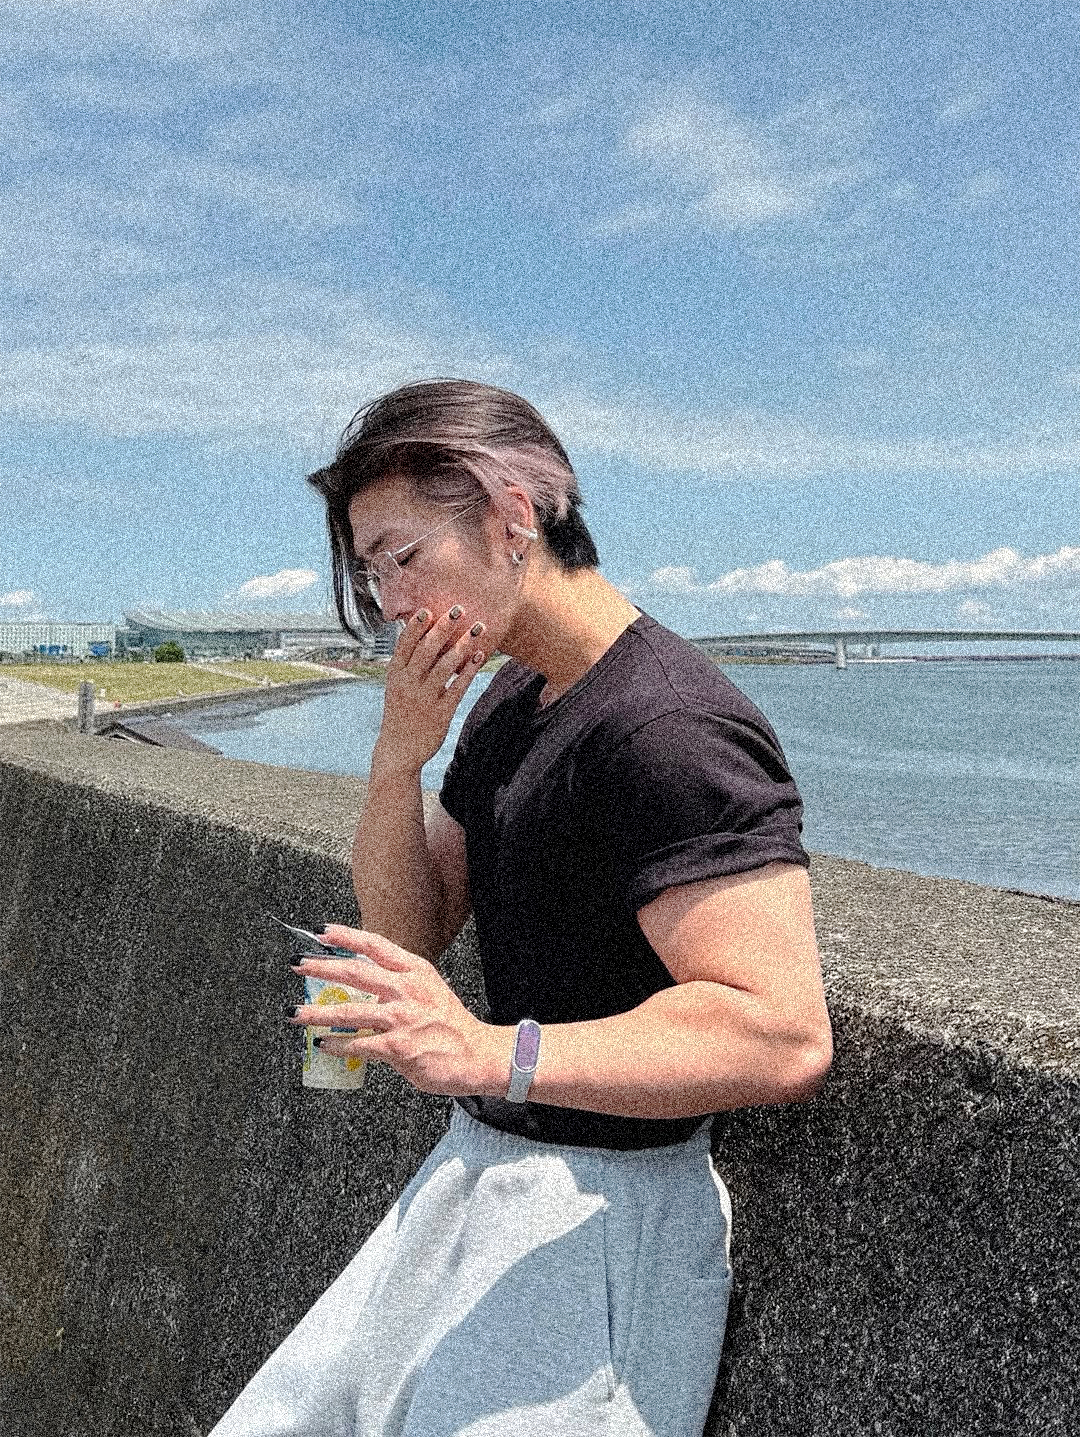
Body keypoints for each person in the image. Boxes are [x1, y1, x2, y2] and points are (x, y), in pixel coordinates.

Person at [210, 378, 833, 1437]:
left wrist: (491, 1051)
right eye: (372, 573)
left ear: (511, 516)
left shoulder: (669, 727)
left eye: (402, 557)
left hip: (602, 1220)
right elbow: (413, 930)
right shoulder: (515, 694)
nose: (392, 602)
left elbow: (779, 1031)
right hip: (479, 1172)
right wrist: (397, 759)